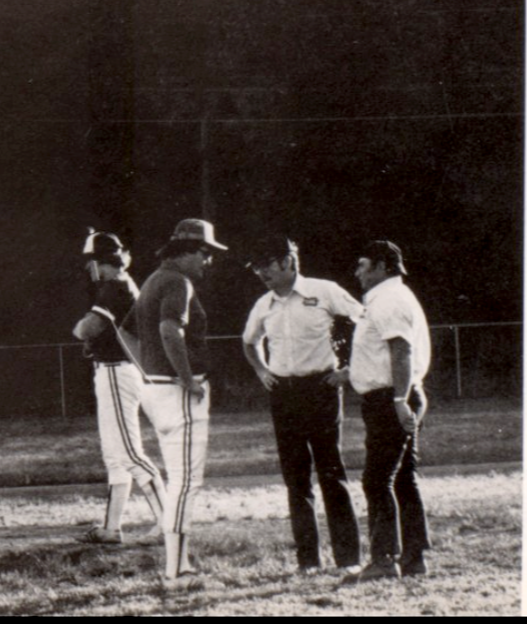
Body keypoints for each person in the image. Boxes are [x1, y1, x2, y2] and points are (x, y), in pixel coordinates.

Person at [241, 235, 362, 575]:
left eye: (267, 264)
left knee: (331, 473)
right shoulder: (264, 304)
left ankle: (349, 559)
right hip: (284, 394)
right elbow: (249, 342)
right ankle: (308, 561)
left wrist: (349, 370)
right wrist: (262, 371)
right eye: (256, 267)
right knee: (296, 479)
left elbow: (364, 321)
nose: (261, 272)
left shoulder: (324, 290)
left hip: (321, 388)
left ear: (289, 261)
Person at [122, 218, 226, 581]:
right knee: (185, 483)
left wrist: (149, 370)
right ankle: (177, 569)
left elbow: (126, 332)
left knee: (179, 480)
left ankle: (178, 564)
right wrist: (186, 379)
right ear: (184, 252)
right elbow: (170, 329)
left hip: (155, 388)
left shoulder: (152, 279)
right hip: (179, 391)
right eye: (204, 253)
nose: (207, 261)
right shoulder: (178, 282)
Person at [342, 240, 431, 581]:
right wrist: (349, 373)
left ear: (382, 267)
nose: (357, 272)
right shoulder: (390, 297)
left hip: (390, 400)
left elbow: (401, 352)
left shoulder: (390, 299)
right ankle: (414, 557)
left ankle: (384, 559)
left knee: (377, 479)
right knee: (403, 478)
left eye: (363, 265)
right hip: (395, 396)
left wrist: (398, 400)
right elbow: (383, 354)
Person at [72, 230, 166, 544]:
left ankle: (169, 523)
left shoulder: (115, 287)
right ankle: (111, 529)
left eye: (92, 262)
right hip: (114, 372)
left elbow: (88, 327)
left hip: (116, 372)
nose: (89, 268)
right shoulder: (118, 285)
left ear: (103, 261)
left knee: (128, 453)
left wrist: (81, 328)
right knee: (115, 456)